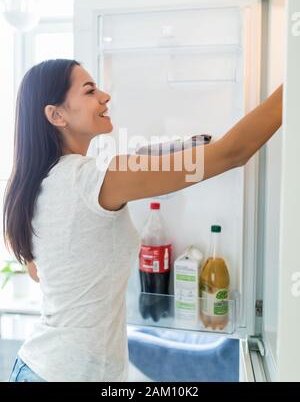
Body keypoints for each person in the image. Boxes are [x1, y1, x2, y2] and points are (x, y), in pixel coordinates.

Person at [3, 59, 283, 382]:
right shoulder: (91, 180)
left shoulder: (37, 186)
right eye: (90, 91)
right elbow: (233, 152)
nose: (105, 96)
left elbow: (41, 273)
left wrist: (179, 150)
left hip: (40, 367)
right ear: (56, 115)